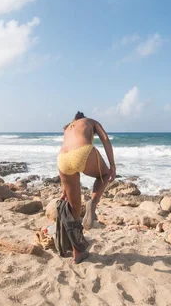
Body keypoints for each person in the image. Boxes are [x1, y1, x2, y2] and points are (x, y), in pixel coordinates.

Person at [57, 111, 116, 263]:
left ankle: (77, 254)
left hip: (62, 159)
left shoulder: (68, 128)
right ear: (83, 117)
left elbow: (68, 150)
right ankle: (92, 203)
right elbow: (105, 139)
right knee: (104, 175)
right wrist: (112, 165)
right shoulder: (90, 121)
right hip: (82, 152)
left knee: (74, 209)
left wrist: (65, 189)